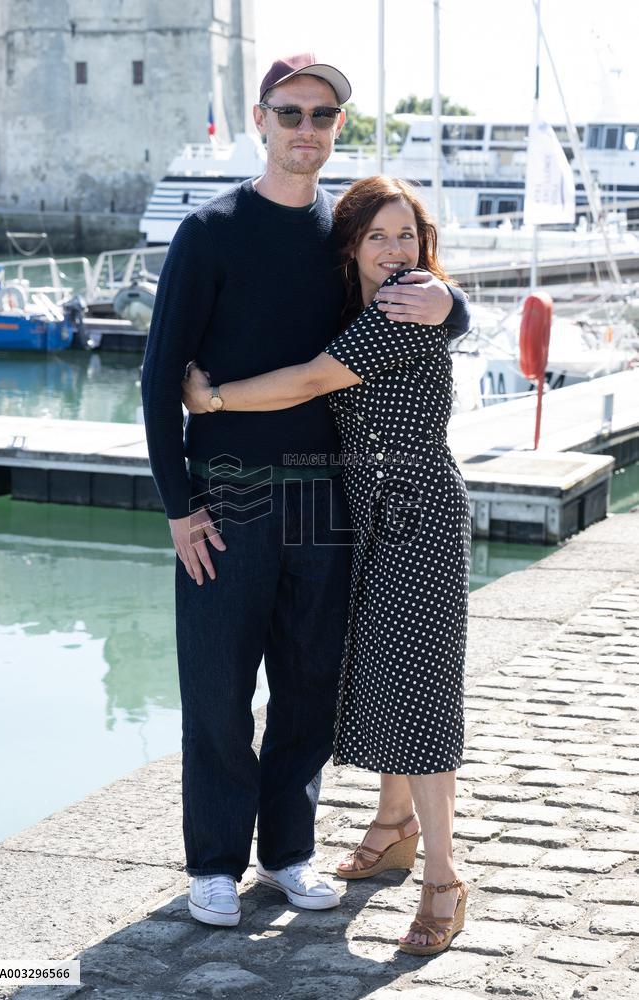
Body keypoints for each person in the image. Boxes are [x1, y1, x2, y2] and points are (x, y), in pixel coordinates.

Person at [141, 53, 470, 932]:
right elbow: (157, 376)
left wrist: (457, 307)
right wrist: (178, 507)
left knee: (307, 688)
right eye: (290, 114)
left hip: (329, 501)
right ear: (261, 119)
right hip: (229, 497)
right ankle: (214, 862)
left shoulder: (343, 232)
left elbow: (418, 297)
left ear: (336, 128)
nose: (306, 130)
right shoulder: (209, 232)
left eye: (323, 116)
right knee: (216, 690)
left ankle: (287, 852)